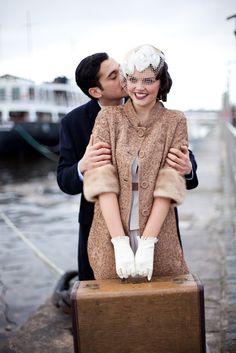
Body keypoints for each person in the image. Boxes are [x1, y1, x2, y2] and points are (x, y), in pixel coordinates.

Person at [57, 51, 198, 281]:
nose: (125, 78)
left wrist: (188, 167)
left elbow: (176, 157)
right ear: (96, 91)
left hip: (156, 223)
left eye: (123, 71)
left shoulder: (164, 113)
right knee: (99, 303)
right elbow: (64, 180)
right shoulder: (75, 122)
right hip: (99, 223)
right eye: (114, 76)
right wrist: (83, 166)